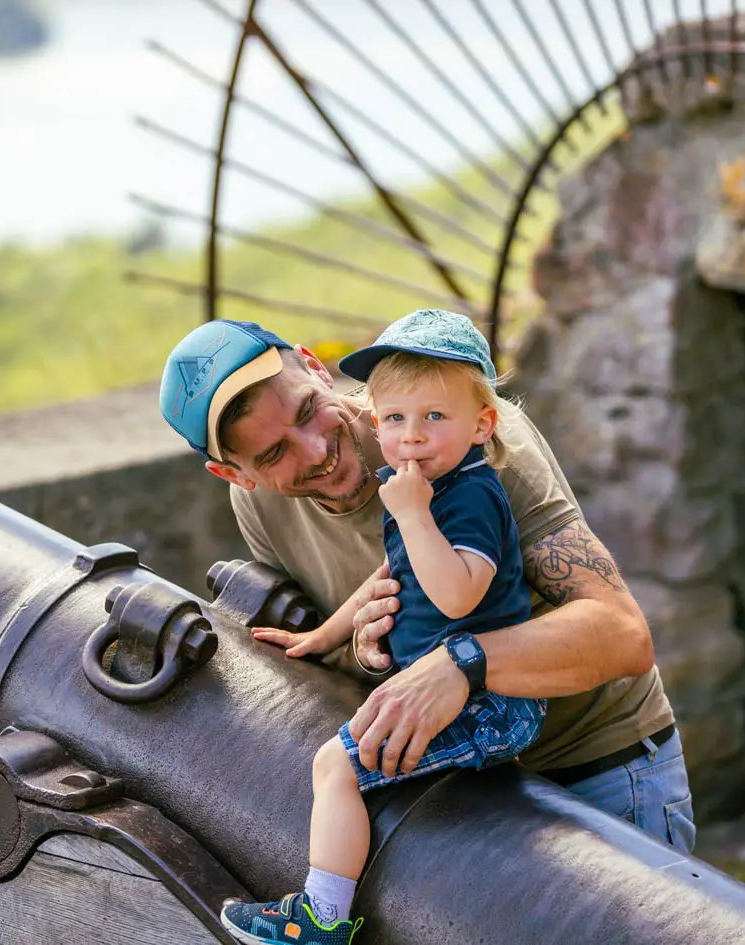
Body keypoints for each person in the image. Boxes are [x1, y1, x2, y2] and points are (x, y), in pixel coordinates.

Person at [157, 309, 694, 855]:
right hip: (466, 792)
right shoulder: (258, 508)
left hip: (597, 767)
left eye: (308, 411)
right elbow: (361, 661)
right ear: (235, 475)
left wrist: (464, 662)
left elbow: (622, 637)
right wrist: (368, 654)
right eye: (273, 453)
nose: (315, 452)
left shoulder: (466, 435)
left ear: (317, 370)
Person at [213, 311, 548, 943]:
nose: (412, 436)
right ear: (374, 416)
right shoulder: (420, 486)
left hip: (493, 704)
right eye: (395, 419)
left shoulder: (466, 493)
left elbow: (457, 595)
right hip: (462, 698)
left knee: (336, 765)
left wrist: (415, 513)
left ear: (482, 423)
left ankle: (320, 921)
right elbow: (387, 576)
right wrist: (323, 638)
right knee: (338, 765)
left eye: (434, 418)